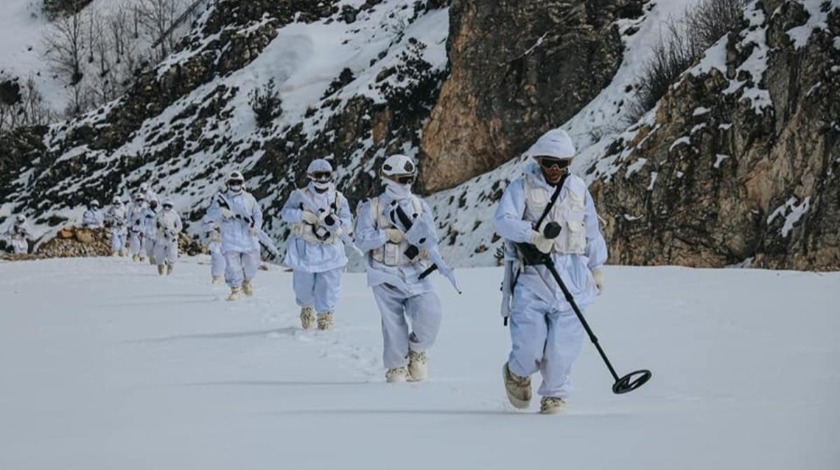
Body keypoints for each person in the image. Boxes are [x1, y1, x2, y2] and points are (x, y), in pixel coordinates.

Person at [494, 129, 607, 414]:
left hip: (573, 277)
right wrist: (532, 236)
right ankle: (517, 372)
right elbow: (503, 222)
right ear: (539, 161)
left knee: (563, 347)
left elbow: (591, 231)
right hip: (534, 276)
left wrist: (596, 267)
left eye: (561, 164)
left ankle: (555, 395)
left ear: (570, 161)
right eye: (548, 163)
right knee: (530, 347)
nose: (555, 169)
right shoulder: (522, 188)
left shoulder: (579, 189)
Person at [354, 154, 443, 383]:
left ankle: (417, 350)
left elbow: (432, 238)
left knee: (430, 314)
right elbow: (361, 241)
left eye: (409, 178)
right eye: (401, 178)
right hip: (384, 273)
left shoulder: (419, 206)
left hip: (415, 271)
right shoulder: (372, 208)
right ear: (388, 178)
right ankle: (396, 366)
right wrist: (386, 235)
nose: (406, 183)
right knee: (393, 323)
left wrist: (426, 249)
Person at [280, 159, 352, 331]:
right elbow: (285, 213)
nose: (322, 178)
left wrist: (337, 224)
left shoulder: (338, 198)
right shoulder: (299, 195)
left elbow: (347, 222)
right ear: (310, 176)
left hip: (330, 248)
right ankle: (306, 308)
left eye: (326, 174)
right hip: (305, 247)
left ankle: (325, 316)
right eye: (318, 175)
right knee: (303, 287)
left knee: (329, 285)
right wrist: (303, 215)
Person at [205, 171, 263, 301]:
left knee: (252, 264)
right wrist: (221, 211)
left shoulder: (250, 198)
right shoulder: (221, 199)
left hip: (249, 237)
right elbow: (209, 214)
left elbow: (258, 214)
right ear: (228, 184)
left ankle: (246, 281)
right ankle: (235, 288)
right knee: (232, 265)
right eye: (233, 182)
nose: (236, 185)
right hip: (230, 237)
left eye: (238, 182)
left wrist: (256, 227)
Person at [154, 198, 182, 275]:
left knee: (172, 254)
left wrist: (173, 232)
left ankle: (170, 270)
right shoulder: (158, 215)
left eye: (168, 206)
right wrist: (159, 230)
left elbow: (179, 226)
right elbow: (153, 226)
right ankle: (161, 270)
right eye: (165, 205)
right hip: (161, 237)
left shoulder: (174, 214)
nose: (167, 207)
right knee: (159, 255)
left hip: (171, 237)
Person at [127, 193, 147, 262]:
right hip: (134, 228)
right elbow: (128, 219)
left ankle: (142, 256)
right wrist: (133, 223)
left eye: (141, 200)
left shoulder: (145, 208)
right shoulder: (132, 208)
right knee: (136, 242)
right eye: (138, 200)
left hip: (143, 228)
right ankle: (135, 255)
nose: (140, 201)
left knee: (143, 242)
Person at [143, 197, 161, 265]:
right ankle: (152, 260)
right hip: (148, 233)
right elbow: (142, 221)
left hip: (158, 233)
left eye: (154, 202)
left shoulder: (160, 211)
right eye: (152, 202)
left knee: (158, 248)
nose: (153, 203)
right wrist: (142, 231)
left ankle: (159, 261)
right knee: (149, 249)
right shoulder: (145, 211)